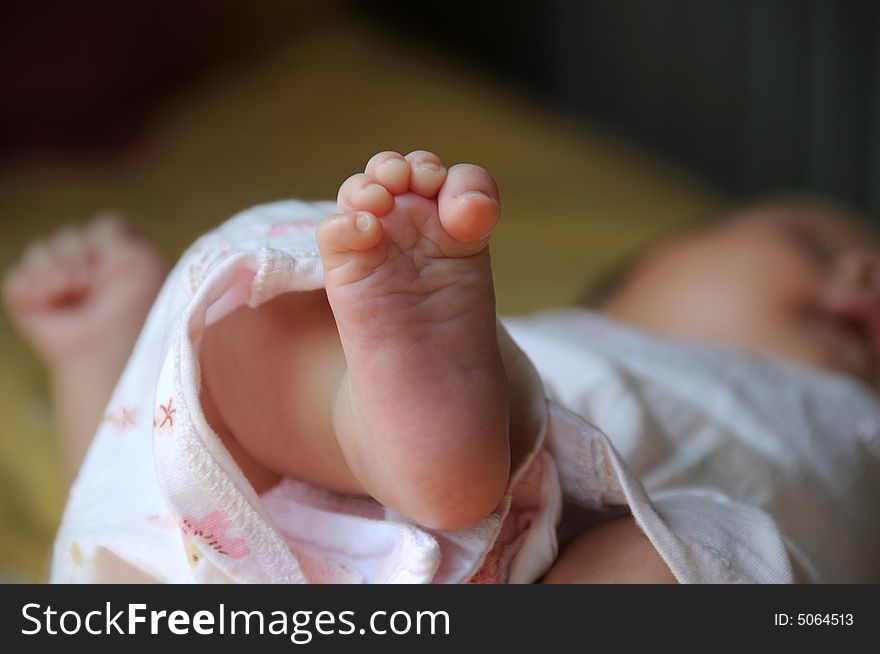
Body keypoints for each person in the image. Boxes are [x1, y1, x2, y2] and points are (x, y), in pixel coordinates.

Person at [4, 150, 879, 583]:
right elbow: (136, 519)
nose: (866, 272)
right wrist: (98, 360)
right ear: (640, 278)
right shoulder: (589, 344)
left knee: (706, 561)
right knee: (250, 307)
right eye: (817, 242)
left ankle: (399, 427)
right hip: (279, 530)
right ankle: (386, 428)